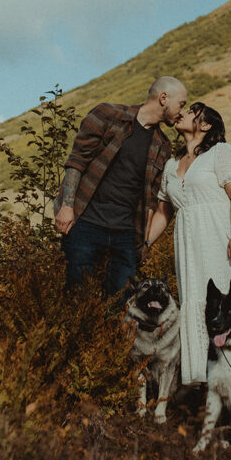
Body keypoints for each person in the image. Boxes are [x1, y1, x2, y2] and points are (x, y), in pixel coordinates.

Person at [145, 102, 231, 385]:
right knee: (200, 300)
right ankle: (207, 376)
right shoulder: (171, 165)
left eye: (193, 111)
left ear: (205, 125)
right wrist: (144, 244)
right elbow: (162, 213)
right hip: (190, 245)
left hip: (222, 236)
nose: (184, 112)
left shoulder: (221, 153)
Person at [54, 76, 187, 295]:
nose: (182, 111)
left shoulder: (162, 144)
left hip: (125, 233)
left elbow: (151, 198)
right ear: (164, 98)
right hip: (87, 223)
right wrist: (66, 207)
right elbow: (77, 161)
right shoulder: (108, 115)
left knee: (122, 301)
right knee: (78, 297)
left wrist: (144, 242)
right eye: (181, 103)